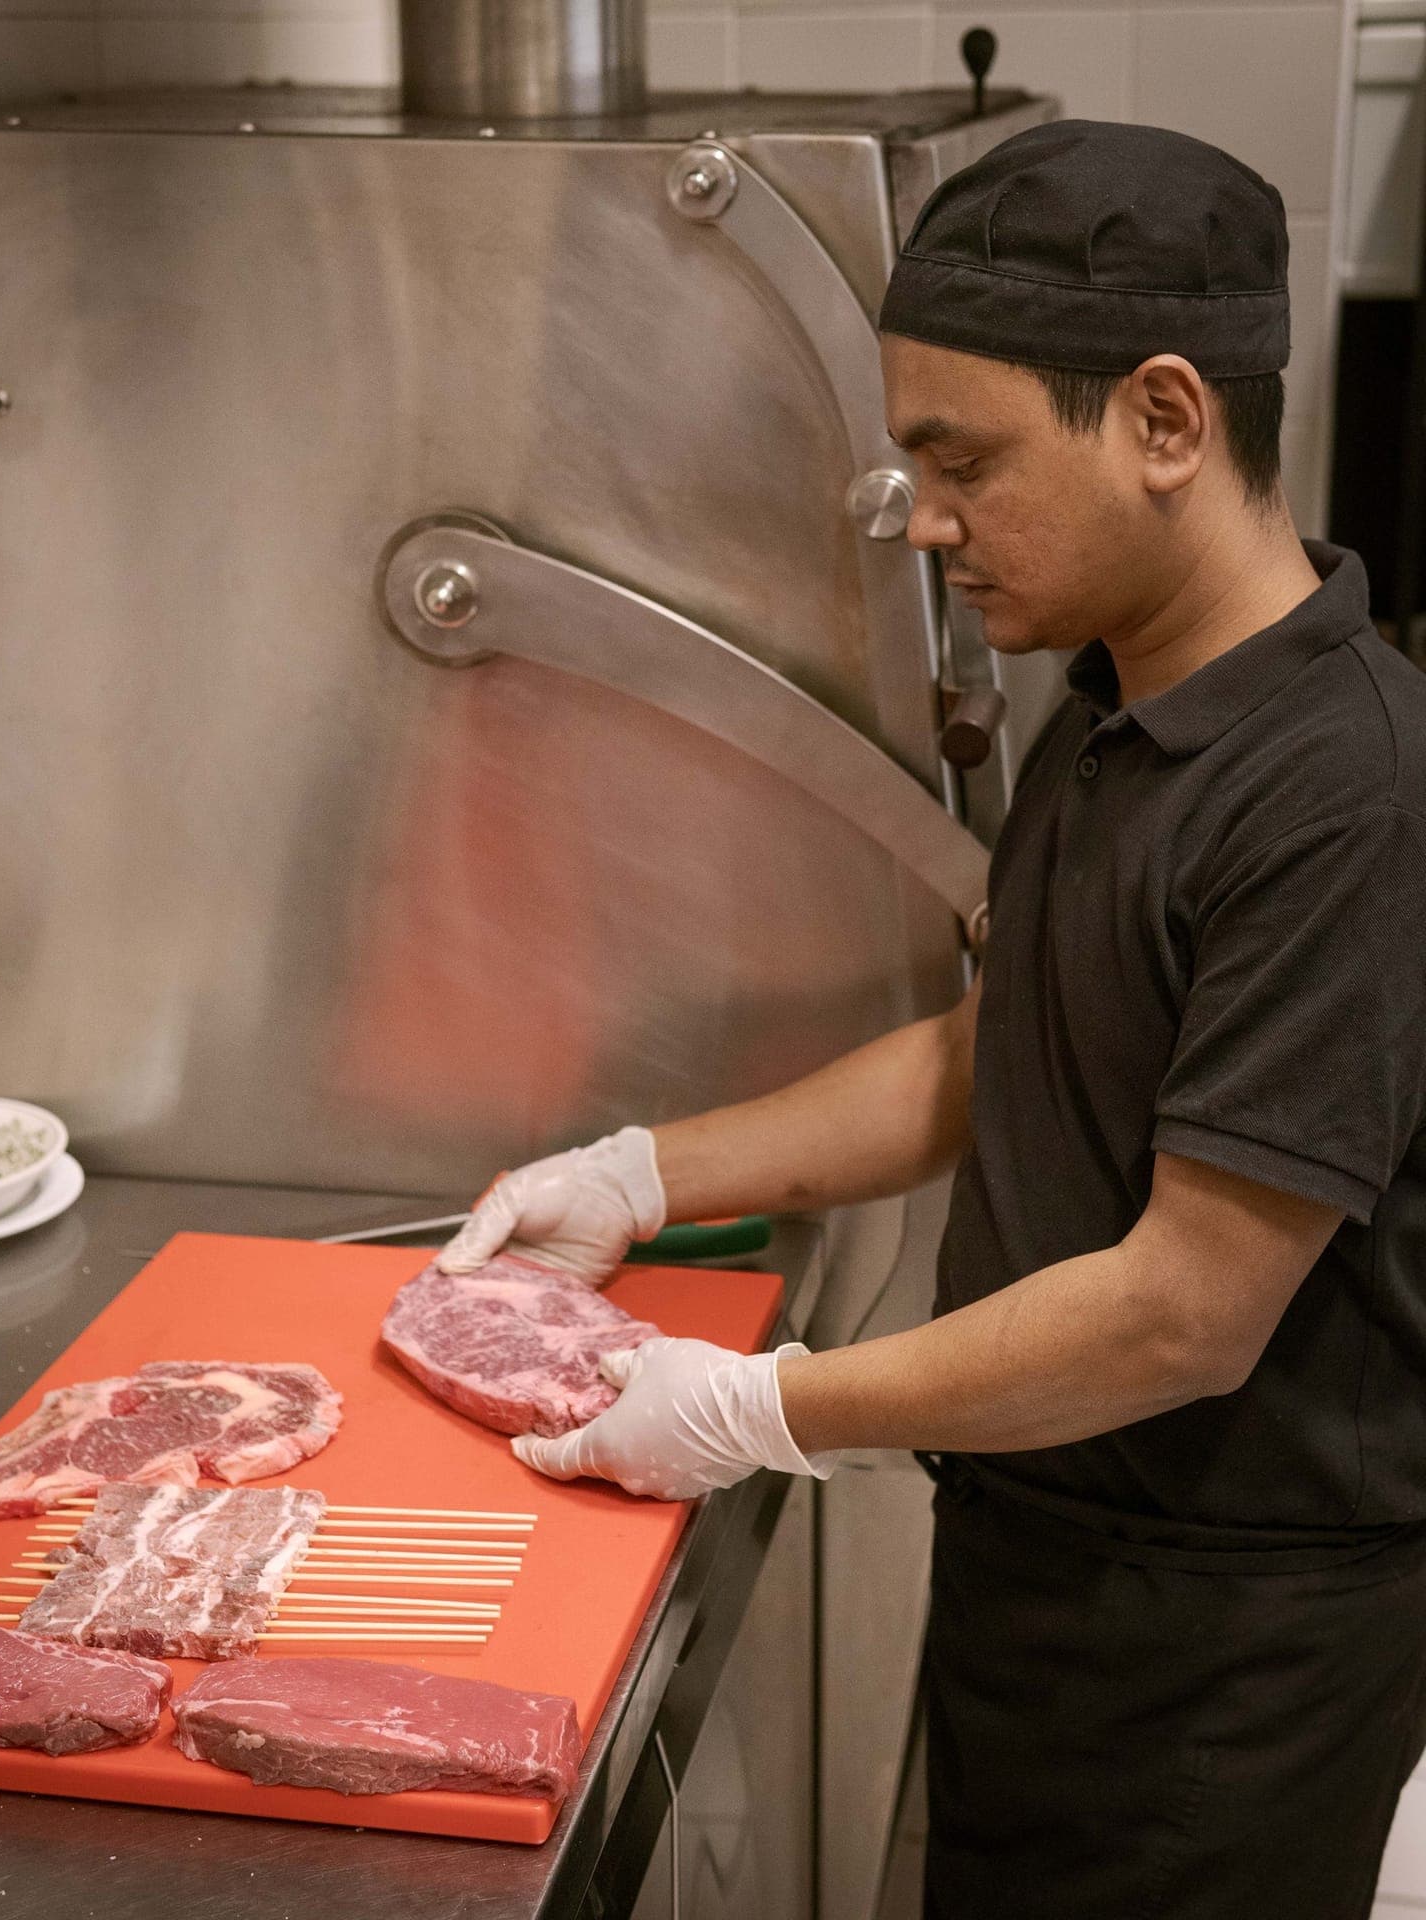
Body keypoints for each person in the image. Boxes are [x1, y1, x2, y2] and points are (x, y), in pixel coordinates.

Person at [439, 120, 1426, 1918]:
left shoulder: (1343, 795)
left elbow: (1184, 1314)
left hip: (1225, 1650)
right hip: (1048, 1560)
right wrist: (645, 1172)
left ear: (1165, 422)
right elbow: (1007, 1048)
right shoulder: (1119, 698)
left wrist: (765, 1406)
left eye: (961, 462)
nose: (932, 522)